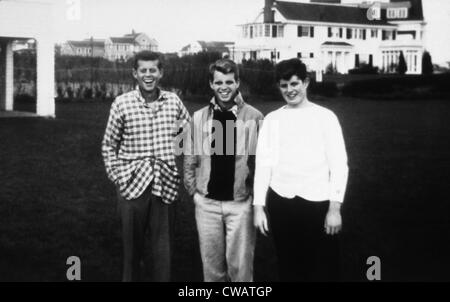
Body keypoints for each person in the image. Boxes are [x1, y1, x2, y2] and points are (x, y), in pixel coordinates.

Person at [253, 58, 348, 282]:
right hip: (281, 203)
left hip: (317, 203)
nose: (290, 90)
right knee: (289, 266)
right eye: (284, 86)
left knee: (323, 268)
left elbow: (339, 165)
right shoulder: (272, 119)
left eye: (294, 84)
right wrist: (258, 207)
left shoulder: (325, 117)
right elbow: (263, 164)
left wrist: (334, 209)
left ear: (306, 82)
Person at [102, 51, 191, 282]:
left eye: (153, 70)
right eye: (143, 70)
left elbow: (188, 140)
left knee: (163, 253)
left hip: (165, 186)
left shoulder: (173, 102)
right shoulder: (122, 104)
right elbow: (109, 144)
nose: (148, 75)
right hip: (132, 187)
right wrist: (118, 177)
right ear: (135, 73)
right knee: (131, 252)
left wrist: (178, 170)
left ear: (160, 72)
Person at [183, 59, 264, 282]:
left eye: (229, 81)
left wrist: (254, 199)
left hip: (239, 204)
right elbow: (190, 156)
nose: (224, 87)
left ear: (237, 82)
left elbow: (261, 163)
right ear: (211, 84)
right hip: (207, 204)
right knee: (212, 269)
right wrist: (194, 191)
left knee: (240, 268)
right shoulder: (199, 117)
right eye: (218, 82)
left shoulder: (254, 117)